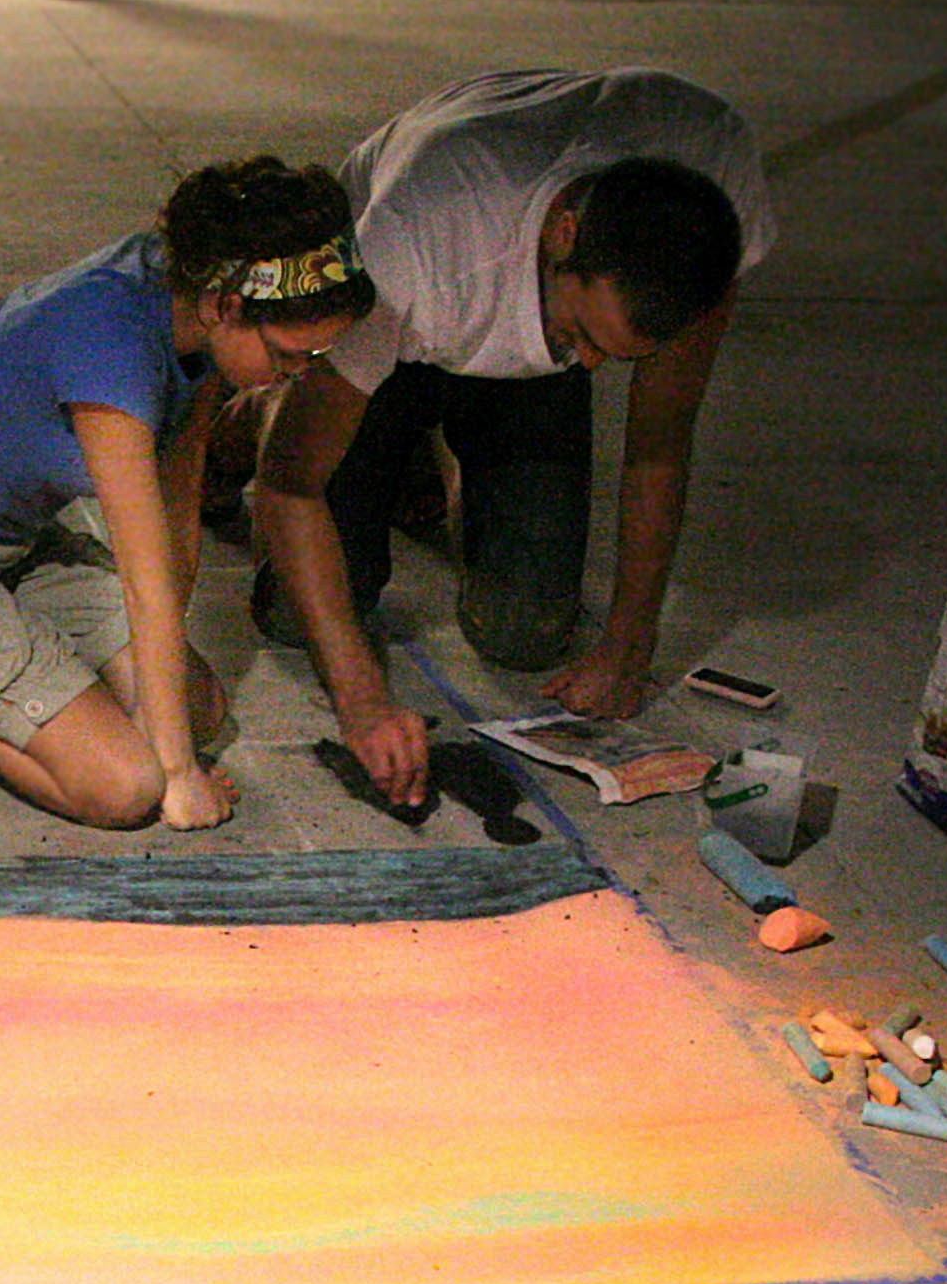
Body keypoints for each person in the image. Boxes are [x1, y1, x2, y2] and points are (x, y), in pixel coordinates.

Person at [248, 68, 776, 809]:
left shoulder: (709, 191)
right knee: (295, 613)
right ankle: (252, 413)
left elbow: (660, 437)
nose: (588, 367)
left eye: (614, 356)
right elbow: (289, 482)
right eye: (584, 335)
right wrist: (363, 701)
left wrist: (629, 643)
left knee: (525, 633)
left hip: (497, 311)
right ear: (566, 233)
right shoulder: (414, 242)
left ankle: (430, 456)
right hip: (397, 324)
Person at [0, 158, 377, 831]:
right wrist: (174, 773)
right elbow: (143, 580)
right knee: (125, 787)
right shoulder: (110, 344)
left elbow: (175, 518)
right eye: (290, 356)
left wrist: (164, 721)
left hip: (10, 545)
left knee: (197, 710)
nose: (297, 376)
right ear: (229, 307)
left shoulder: (190, 295)